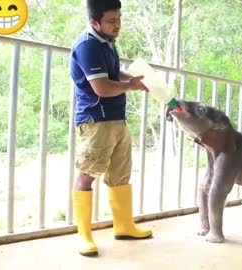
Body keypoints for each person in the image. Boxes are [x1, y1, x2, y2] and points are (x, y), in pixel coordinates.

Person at [69, 0, 152, 257]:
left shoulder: (106, 41)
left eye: (119, 18)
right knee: (88, 173)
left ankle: (124, 225)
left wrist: (133, 80)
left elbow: (115, 74)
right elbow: (103, 88)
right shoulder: (87, 45)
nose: (118, 25)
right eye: (111, 21)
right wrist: (130, 86)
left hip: (117, 118)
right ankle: (84, 235)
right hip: (96, 120)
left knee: (120, 174)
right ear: (95, 22)